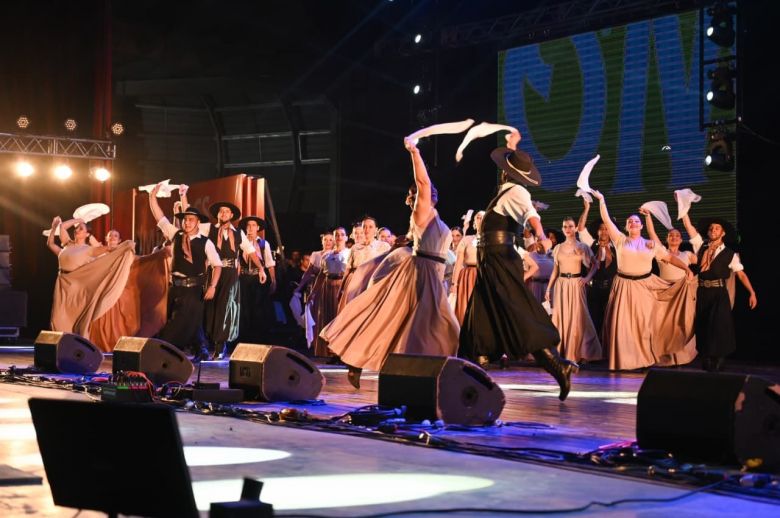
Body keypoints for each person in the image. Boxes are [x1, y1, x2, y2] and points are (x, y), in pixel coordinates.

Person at [321, 137, 459, 389]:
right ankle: (361, 361)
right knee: (434, 326)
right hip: (422, 273)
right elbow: (423, 181)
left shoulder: (431, 218)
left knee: (413, 326)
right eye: (422, 193)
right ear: (415, 198)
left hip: (432, 274)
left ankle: (420, 375)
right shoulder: (422, 211)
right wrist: (414, 152)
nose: (430, 191)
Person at [458, 130, 577, 401]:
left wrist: (543, 236)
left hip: (501, 257)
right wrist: (512, 145)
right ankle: (474, 369)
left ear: (506, 174)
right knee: (481, 314)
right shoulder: (504, 193)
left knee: (517, 309)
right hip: (492, 258)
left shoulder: (518, 191)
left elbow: (532, 216)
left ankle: (557, 363)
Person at [590, 190, 696, 370]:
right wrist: (601, 200)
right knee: (623, 325)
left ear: (641, 226)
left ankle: (644, 359)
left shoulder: (651, 244)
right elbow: (606, 219)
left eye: (636, 221)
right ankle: (624, 361)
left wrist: (686, 268)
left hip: (644, 286)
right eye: (630, 221)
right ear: (626, 226)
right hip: (624, 285)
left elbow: (669, 258)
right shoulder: (620, 240)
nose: (633, 223)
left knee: (644, 324)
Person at [148, 183, 222, 359]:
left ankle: (162, 350)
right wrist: (152, 198)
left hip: (194, 288)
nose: (186, 222)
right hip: (176, 287)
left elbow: (217, 265)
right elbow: (160, 217)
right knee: (189, 320)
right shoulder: (177, 235)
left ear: (197, 222)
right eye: (185, 219)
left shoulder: (205, 242)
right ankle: (201, 348)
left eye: (190, 220)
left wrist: (213, 286)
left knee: (178, 323)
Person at [679, 213, 758, 371]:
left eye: (717, 228)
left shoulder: (730, 254)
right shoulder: (701, 247)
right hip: (703, 292)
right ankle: (707, 356)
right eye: (711, 228)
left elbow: (741, 274)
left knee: (719, 326)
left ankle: (719, 357)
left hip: (719, 293)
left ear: (722, 233)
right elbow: (689, 228)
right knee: (703, 324)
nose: (713, 230)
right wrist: (684, 210)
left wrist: (752, 292)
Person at [47, 216, 135, 340]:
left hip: (76, 287)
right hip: (61, 284)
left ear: (87, 234)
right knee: (56, 319)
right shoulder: (67, 244)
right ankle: (61, 345)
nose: (77, 230)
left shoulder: (89, 250)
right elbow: (56, 236)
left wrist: (126, 246)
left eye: (81, 229)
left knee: (71, 319)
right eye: (77, 229)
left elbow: (109, 249)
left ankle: (75, 344)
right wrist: (76, 221)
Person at [203, 200, 259, 359]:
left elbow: (251, 251)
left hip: (230, 275)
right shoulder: (209, 229)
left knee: (225, 307)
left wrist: (261, 268)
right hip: (213, 272)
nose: (223, 214)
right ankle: (209, 343)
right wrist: (183, 197)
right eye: (221, 211)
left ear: (232, 215)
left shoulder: (238, 233)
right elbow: (191, 222)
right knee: (211, 307)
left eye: (227, 211)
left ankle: (220, 346)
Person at [641, 209, 698, 366]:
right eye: (671, 235)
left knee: (681, 325)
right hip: (664, 293)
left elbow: (704, 260)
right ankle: (661, 355)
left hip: (682, 294)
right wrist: (648, 217)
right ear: (666, 239)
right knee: (663, 326)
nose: (674, 237)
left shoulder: (687, 255)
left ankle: (680, 357)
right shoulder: (662, 252)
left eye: (677, 236)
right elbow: (651, 232)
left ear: (681, 240)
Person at [545, 217, 602, 363]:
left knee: (578, 317)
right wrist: (548, 289)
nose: (568, 229)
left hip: (576, 284)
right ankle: (561, 351)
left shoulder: (582, 247)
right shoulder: (557, 248)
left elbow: (595, 265)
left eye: (570, 226)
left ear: (575, 228)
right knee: (561, 317)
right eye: (565, 227)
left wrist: (587, 278)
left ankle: (581, 352)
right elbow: (555, 271)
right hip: (561, 284)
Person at [577, 198, 617, 336]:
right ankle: (595, 350)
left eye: (607, 229)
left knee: (612, 320)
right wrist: (587, 208)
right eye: (602, 229)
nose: (604, 232)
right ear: (597, 231)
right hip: (593, 289)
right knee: (594, 320)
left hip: (612, 288)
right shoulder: (591, 243)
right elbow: (580, 229)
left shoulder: (618, 246)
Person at [237, 216, 276, 344]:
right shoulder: (240, 243)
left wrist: (273, 281)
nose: (250, 228)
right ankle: (244, 338)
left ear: (258, 228)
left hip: (258, 279)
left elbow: (269, 263)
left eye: (253, 225)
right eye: (248, 225)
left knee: (258, 308)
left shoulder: (263, 244)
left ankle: (258, 337)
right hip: (243, 277)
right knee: (244, 308)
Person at [451, 211, 484, 325]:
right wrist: (454, 283)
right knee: (465, 306)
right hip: (468, 276)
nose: (481, 220)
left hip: (484, 275)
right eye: (478, 217)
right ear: (475, 221)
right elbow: (459, 262)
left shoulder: (491, 240)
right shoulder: (467, 240)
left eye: (484, 218)